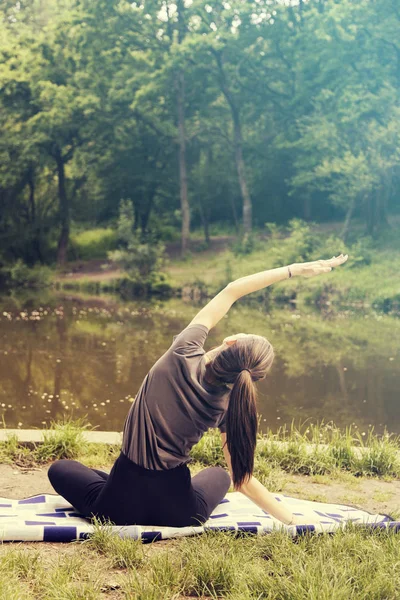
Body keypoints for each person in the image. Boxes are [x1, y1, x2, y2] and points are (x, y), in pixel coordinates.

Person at [48, 253, 348, 528]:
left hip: (117, 505)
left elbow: (232, 290)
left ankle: (109, 484)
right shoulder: (227, 406)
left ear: (230, 341)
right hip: (179, 512)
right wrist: (293, 520)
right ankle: (122, 487)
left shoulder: (184, 350)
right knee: (218, 475)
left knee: (60, 469)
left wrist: (294, 270)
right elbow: (242, 481)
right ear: (253, 379)